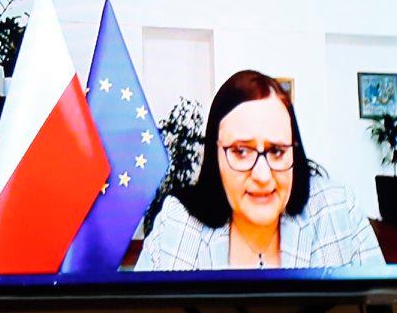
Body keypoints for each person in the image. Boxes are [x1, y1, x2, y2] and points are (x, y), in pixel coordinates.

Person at [137, 70, 384, 271]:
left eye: (277, 151)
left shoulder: (338, 210)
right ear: (215, 156)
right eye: (241, 151)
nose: (263, 176)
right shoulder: (179, 222)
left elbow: (382, 311)